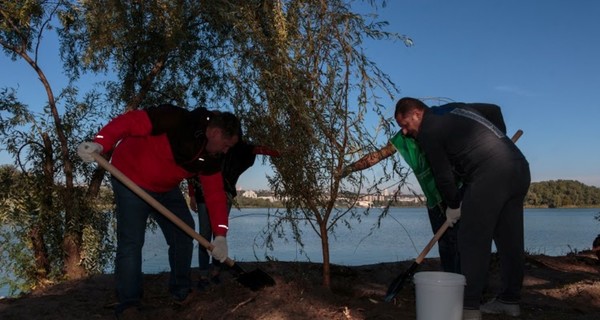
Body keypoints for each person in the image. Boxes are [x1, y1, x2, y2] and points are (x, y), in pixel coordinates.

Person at [77, 104, 240, 317]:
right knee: (131, 242)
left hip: (165, 187)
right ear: (216, 133)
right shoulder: (176, 119)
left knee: (184, 233)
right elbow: (131, 121)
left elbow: (215, 195)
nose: (226, 151)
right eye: (226, 145)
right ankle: (128, 303)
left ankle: (180, 291)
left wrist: (220, 236)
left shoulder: (212, 158)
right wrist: (101, 143)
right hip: (130, 178)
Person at [393, 97, 530, 320]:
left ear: (417, 114)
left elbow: (443, 176)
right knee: (510, 239)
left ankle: (468, 308)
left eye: (405, 125)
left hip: (490, 175)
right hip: (518, 167)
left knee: (471, 239)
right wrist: (500, 143)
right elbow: (494, 110)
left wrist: (453, 205)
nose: (405, 132)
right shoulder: (454, 109)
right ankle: (509, 301)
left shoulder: (428, 130)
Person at [341, 127, 461, 274]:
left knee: (461, 243)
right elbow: (377, 156)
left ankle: (468, 284)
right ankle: (451, 281)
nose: (403, 130)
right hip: (434, 202)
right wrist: (350, 168)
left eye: (405, 123)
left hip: (454, 196)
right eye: (400, 125)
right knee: (445, 245)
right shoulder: (402, 138)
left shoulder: (435, 129)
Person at [188, 139, 280, 289]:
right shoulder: (206, 144)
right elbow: (193, 168)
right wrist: (192, 194)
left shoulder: (237, 148)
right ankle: (204, 274)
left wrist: (279, 152)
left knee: (219, 235)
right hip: (203, 196)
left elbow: (257, 149)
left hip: (224, 196)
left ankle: (216, 272)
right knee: (204, 236)